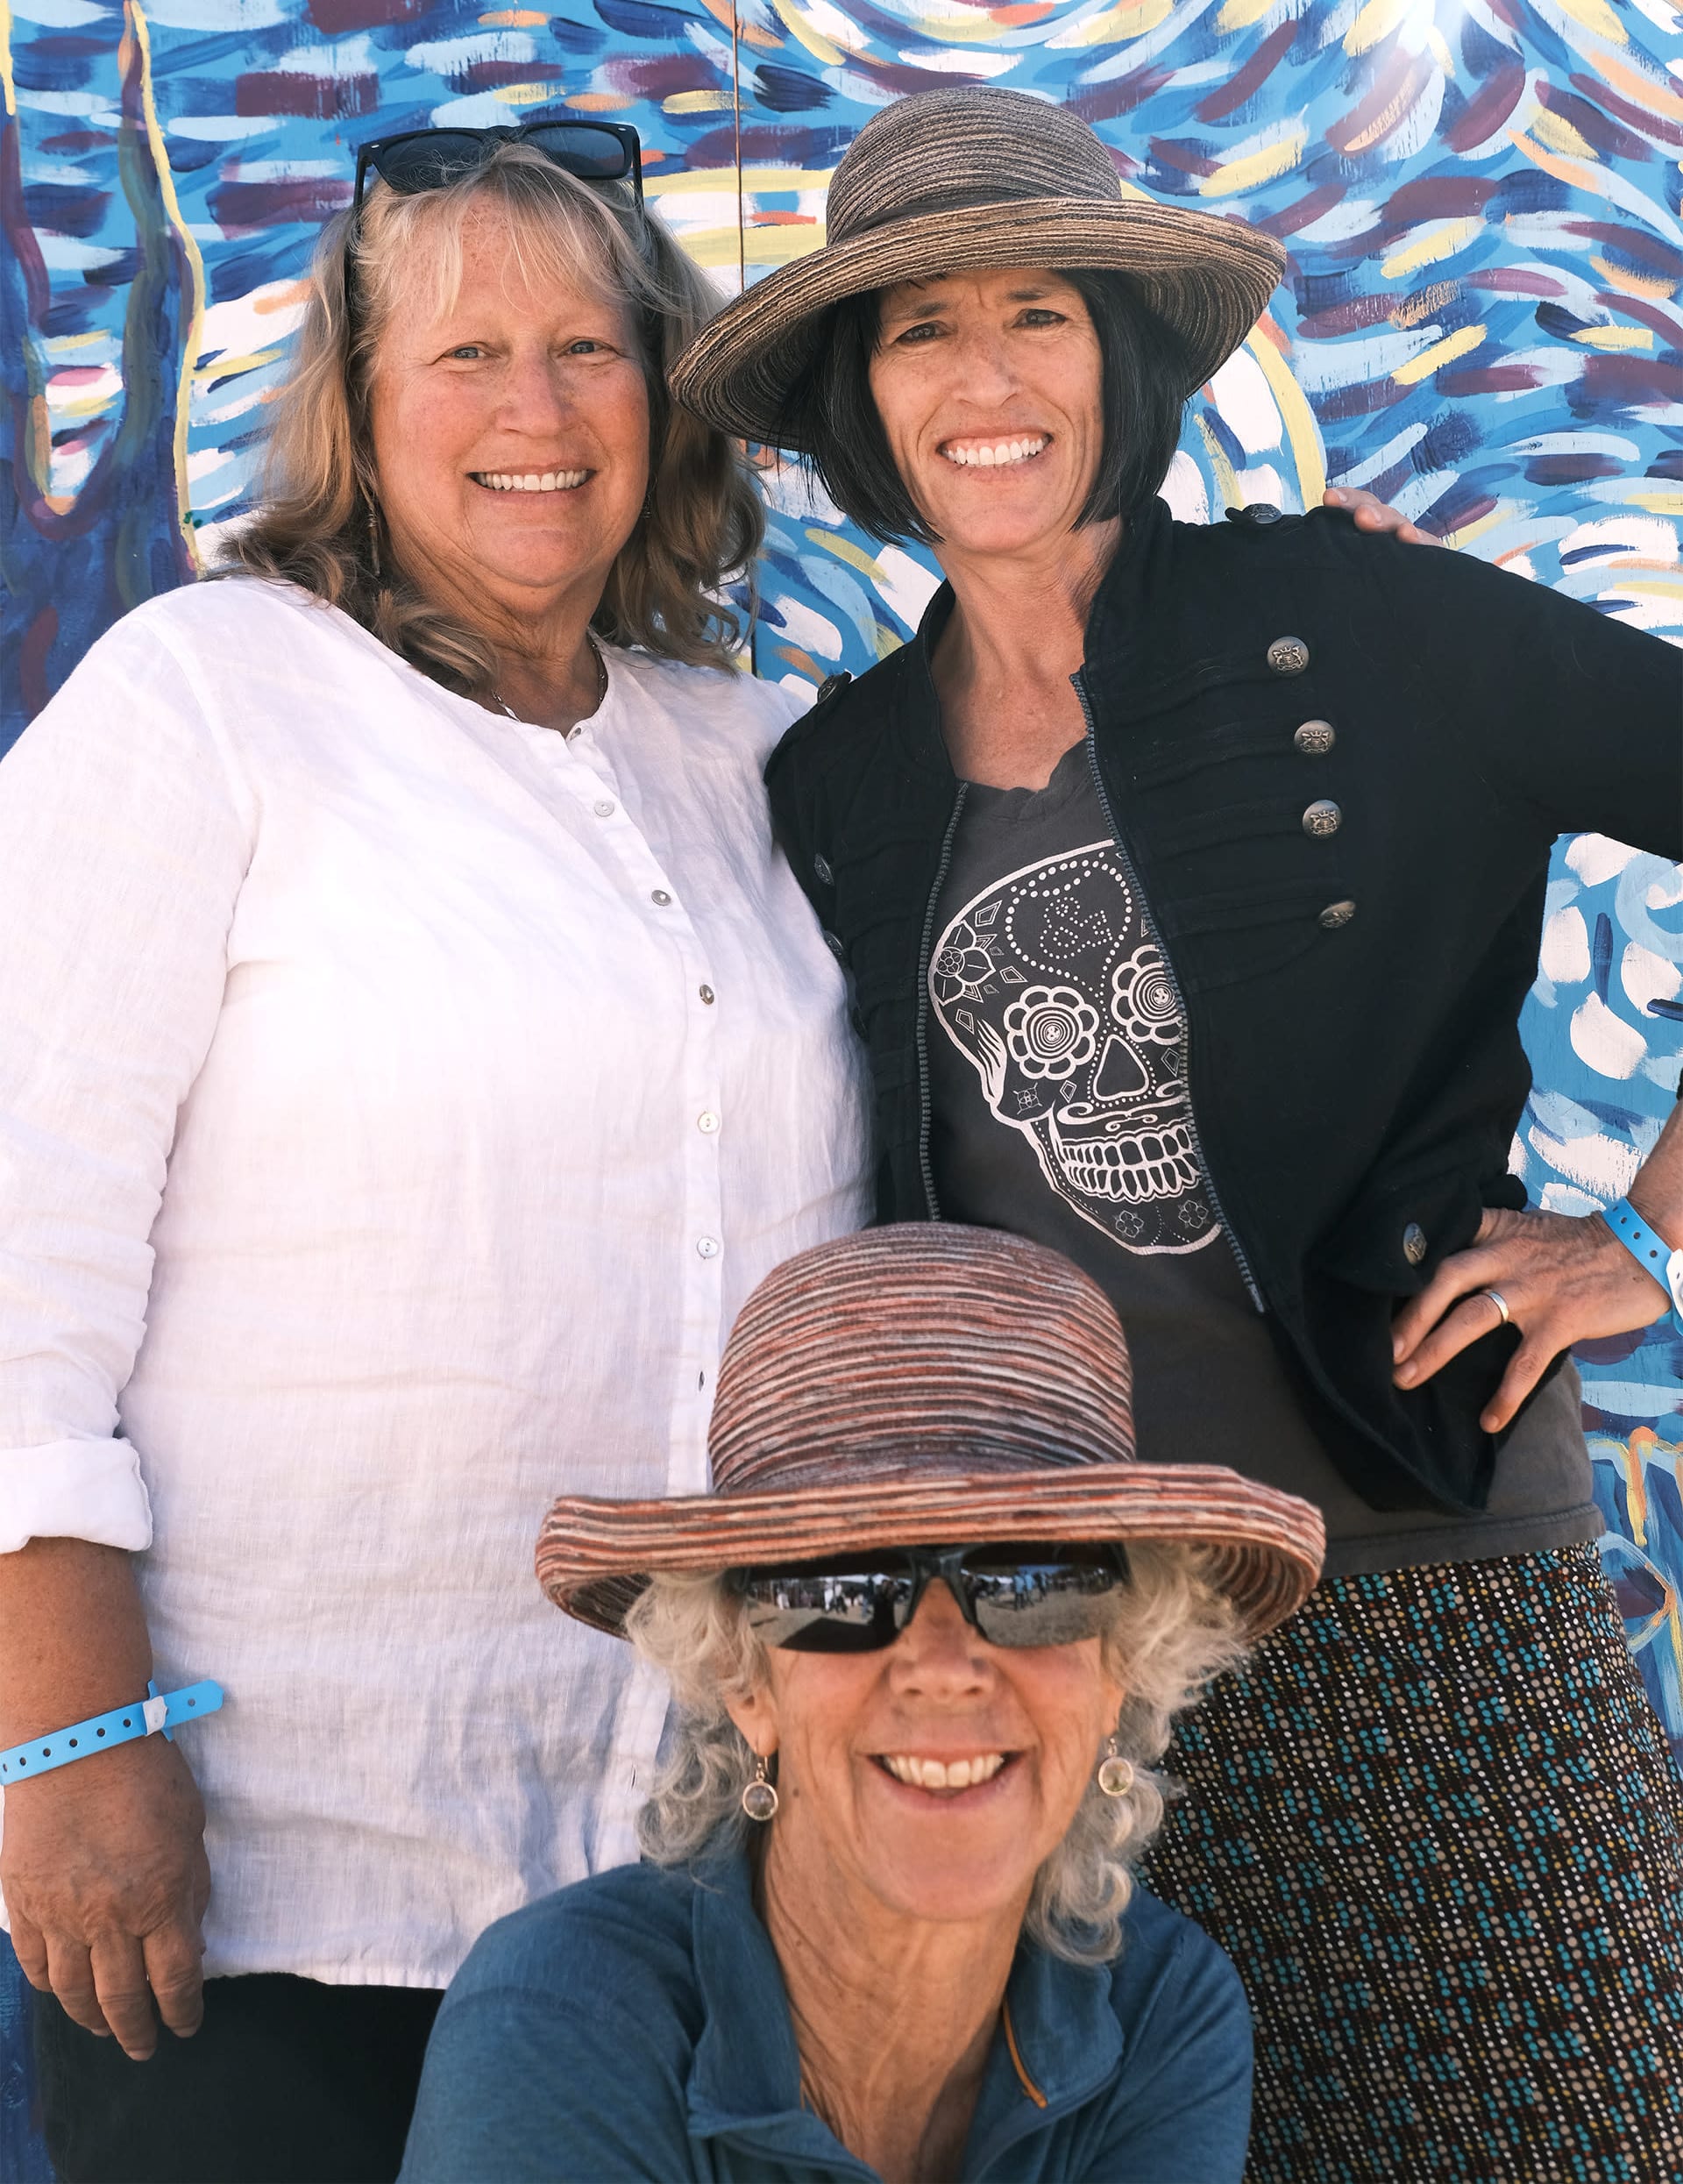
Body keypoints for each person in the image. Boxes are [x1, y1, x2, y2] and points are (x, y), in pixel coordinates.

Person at [669, 85, 1683, 2182]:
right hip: (1053, 1644)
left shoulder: (1367, 623)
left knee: (1545, 2130)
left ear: (1115, 357)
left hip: (1415, 1574)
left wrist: (1650, 1235)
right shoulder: (838, 775)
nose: (983, 378)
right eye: (915, 329)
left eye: (1033, 310)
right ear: (863, 401)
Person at [0, 123, 870, 2184]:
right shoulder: (206, 698)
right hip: (288, 1862)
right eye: (466, 352)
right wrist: (61, 1726)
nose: (537, 411)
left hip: (689, 1868)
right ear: (361, 405)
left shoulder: (750, 755)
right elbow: (21, 1222)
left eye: (590, 348)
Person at [400, 1223, 1325, 2183]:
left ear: (1119, 1666)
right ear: (743, 1677)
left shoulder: (1162, 2012)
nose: (942, 1664)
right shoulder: (554, 2022)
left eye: (1035, 1580)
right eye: (844, 1588)